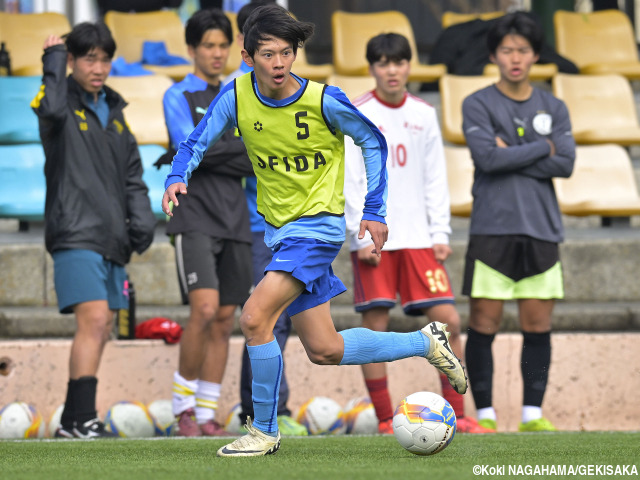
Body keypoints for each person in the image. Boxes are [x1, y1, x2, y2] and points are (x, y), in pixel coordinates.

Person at [162, 4, 467, 457]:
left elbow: (372, 140)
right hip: (279, 232)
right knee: (324, 348)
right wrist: (176, 176)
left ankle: (264, 431)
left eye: (287, 53)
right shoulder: (236, 96)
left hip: (317, 230)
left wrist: (375, 210)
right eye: (268, 54)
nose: (279, 64)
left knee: (252, 317)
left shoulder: (324, 99)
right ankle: (424, 341)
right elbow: (195, 142)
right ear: (247, 56)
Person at [344, 33, 494, 435]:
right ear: (372, 67)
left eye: (398, 62)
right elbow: (351, 179)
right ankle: (382, 418)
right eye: (382, 62)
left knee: (448, 322)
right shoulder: (356, 111)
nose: (391, 70)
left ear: (409, 65)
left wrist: (440, 232)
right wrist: (358, 236)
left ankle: (458, 414)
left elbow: (435, 179)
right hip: (376, 237)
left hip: (420, 240)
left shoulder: (425, 114)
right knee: (374, 328)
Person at [32, 23, 156, 438]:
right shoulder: (58, 104)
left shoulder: (116, 115)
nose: (98, 67)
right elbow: (48, 110)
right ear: (71, 61)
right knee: (95, 318)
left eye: (104, 59)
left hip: (111, 239)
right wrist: (52, 62)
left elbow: (133, 178)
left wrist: (141, 221)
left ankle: (73, 420)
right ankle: (83, 418)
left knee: (102, 326)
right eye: (89, 58)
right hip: (74, 232)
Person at [461, 12, 575, 433]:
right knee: (483, 324)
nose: (515, 58)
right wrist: (542, 148)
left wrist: (516, 151)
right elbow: (486, 158)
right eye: (506, 49)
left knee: (537, 326)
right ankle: (486, 415)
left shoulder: (554, 104)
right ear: (494, 55)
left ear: (535, 55)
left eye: (522, 50)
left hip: (542, 229)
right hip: (492, 228)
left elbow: (566, 163)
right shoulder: (477, 103)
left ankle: (532, 415)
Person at [162, 8, 253, 437]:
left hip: (235, 214)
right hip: (193, 211)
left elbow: (254, 154)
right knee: (202, 309)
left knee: (223, 318)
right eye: (208, 46)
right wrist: (230, 149)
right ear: (192, 50)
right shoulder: (176, 95)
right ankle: (181, 409)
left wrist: (211, 150)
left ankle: (205, 414)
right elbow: (188, 148)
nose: (217, 54)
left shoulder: (239, 94)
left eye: (222, 46)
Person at [222, 0, 308, 437]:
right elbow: (225, 155)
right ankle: (259, 413)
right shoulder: (236, 95)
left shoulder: (300, 94)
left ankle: (269, 411)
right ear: (248, 47)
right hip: (257, 225)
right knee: (262, 316)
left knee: (297, 325)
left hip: (301, 225)